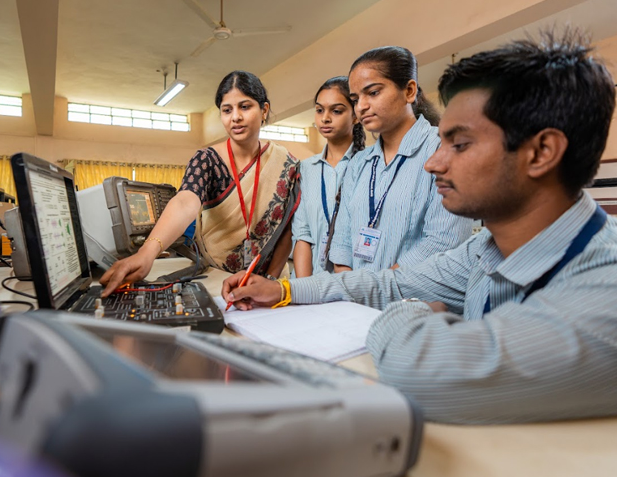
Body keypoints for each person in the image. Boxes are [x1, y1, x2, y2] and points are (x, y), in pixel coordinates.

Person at [222, 28, 617, 425]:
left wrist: (410, 312)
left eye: (459, 145)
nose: (433, 163)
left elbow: (420, 369)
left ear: (541, 152)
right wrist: (283, 289)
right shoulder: (486, 251)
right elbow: (385, 284)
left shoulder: (605, 287)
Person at [100, 71, 300, 296]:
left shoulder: (285, 163)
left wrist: (271, 281)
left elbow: (287, 230)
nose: (235, 117)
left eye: (245, 107)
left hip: (269, 285)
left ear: (264, 110)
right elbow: (186, 201)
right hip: (217, 282)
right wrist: (147, 253)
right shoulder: (206, 160)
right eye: (227, 110)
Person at [329, 46, 472, 273]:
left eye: (373, 93)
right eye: (355, 99)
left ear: (409, 91)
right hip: (353, 302)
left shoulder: (444, 149)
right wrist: (352, 297)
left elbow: (443, 242)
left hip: (414, 302)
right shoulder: (360, 163)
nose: (361, 107)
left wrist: (370, 291)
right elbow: (342, 244)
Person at [292, 77, 366, 277]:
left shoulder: (369, 166)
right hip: (312, 278)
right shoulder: (307, 168)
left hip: (355, 281)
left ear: (355, 116)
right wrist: (304, 290)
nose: (325, 118)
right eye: (319, 110)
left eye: (336, 111)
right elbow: (302, 235)